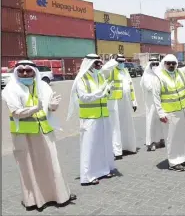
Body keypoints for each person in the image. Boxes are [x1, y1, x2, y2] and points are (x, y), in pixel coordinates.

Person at [2, 60, 76, 211]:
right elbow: (16, 112)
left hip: (44, 132)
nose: (24, 73)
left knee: (52, 164)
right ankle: (34, 201)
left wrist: (52, 107)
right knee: (29, 167)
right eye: (21, 71)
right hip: (24, 136)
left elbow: (48, 108)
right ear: (16, 72)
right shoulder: (11, 89)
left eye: (28, 70)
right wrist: (34, 108)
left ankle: (59, 196)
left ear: (34, 72)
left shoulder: (43, 86)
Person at [152, 44, 185, 172]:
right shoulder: (159, 77)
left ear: (176, 64)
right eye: (168, 63)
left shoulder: (181, 72)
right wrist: (161, 114)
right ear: (164, 64)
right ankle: (173, 162)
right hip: (170, 113)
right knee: (172, 138)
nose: (171, 65)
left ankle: (184, 158)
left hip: (184, 110)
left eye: (173, 63)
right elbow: (156, 97)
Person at [67, 54, 116, 186]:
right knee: (89, 147)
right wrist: (101, 92)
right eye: (96, 64)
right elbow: (84, 97)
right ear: (89, 64)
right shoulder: (81, 79)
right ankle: (88, 176)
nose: (99, 66)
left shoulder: (99, 76)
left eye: (100, 64)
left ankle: (103, 170)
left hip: (102, 116)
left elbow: (104, 93)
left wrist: (108, 91)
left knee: (103, 145)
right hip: (89, 118)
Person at [106, 54, 138, 160]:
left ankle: (128, 147)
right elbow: (104, 80)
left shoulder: (125, 71)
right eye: (119, 62)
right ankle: (117, 151)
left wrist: (134, 101)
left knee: (126, 124)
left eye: (122, 61)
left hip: (126, 102)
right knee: (116, 126)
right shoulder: (111, 71)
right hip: (114, 102)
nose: (121, 64)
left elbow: (131, 87)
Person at [140, 57, 165, 151]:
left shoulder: (160, 74)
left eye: (156, 64)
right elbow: (150, 88)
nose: (155, 66)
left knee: (161, 121)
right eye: (153, 64)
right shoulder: (146, 76)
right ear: (149, 65)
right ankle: (151, 142)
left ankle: (161, 140)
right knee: (151, 122)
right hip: (151, 104)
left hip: (160, 103)